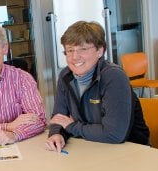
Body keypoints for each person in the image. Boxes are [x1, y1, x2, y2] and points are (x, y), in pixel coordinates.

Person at [45, 21, 150, 152]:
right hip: (91, 148)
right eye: (69, 50)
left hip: (130, 152)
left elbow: (114, 134)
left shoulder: (113, 76)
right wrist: (56, 133)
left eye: (82, 49)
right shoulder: (66, 76)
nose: (74, 57)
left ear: (99, 51)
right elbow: (59, 117)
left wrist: (72, 126)